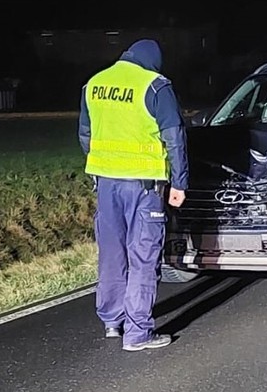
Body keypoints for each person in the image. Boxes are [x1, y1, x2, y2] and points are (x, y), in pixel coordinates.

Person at [78, 38, 189, 352]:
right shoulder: (155, 86)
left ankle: (112, 321)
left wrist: (105, 166)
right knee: (143, 257)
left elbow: (85, 134)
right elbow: (175, 138)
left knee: (112, 253)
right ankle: (138, 333)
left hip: (106, 183)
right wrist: (179, 183)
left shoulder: (94, 84)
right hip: (143, 187)